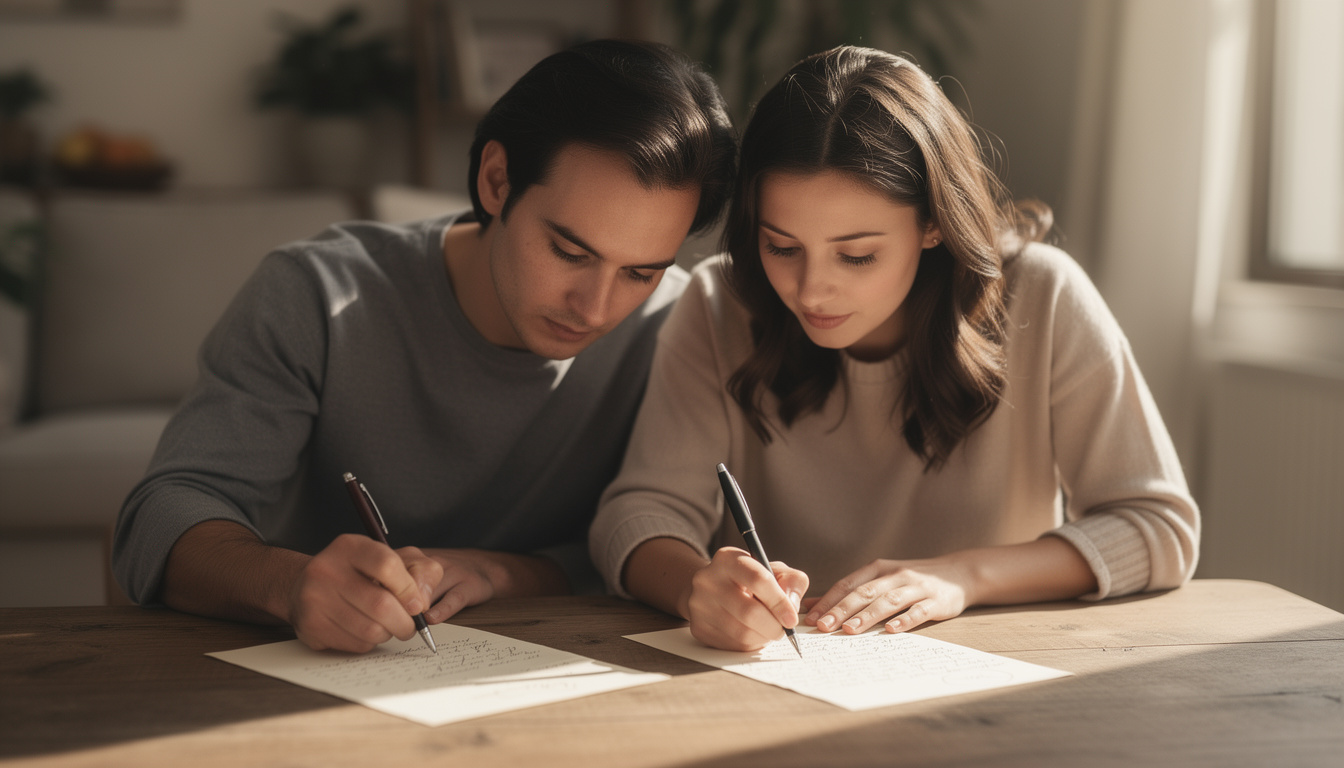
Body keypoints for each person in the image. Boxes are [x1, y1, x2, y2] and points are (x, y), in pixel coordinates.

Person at [113, 39, 736, 653]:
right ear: (497, 181)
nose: (597, 309)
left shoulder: (677, 326)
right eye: (570, 253)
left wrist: (503, 573)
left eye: (641, 272)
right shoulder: (317, 296)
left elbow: (646, 541)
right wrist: (292, 583)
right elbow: (161, 515)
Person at [589, 46, 1199, 652]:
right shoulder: (720, 304)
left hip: (995, 677)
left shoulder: (1042, 294)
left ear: (934, 222)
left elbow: (1157, 526)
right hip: (776, 677)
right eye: (781, 246)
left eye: (857, 255)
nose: (810, 289)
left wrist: (963, 575)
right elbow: (638, 514)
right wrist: (699, 586)